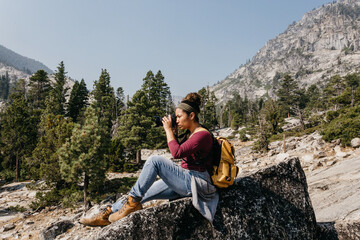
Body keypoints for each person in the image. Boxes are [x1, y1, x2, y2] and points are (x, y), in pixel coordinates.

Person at [80, 92, 219, 227]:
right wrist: (174, 134)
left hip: (197, 183)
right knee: (142, 190)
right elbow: (182, 152)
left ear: (192, 115)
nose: (176, 120)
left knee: (154, 160)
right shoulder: (191, 134)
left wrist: (168, 130)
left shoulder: (202, 135)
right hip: (186, 178)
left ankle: (130, 204)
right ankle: (109, 214)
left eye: (179, 117)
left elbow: (176, 153)